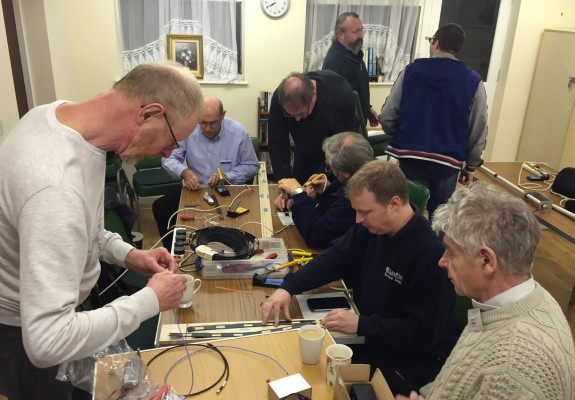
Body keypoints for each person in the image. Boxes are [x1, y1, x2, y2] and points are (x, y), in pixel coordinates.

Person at [0, 61, 203, 400]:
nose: (169, 153)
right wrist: (150, 300)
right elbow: (48, 341)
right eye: (172, 140)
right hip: (24, 334)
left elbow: (85, 227)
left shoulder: (55, 118)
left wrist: (129, 254)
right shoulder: (55, 187)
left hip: (57, 309)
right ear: (150, 114)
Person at [262, 160, 457, 395]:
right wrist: (288, 287)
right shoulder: (372, 227)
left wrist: (362, 324)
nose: (357, 220)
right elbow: (336, 257)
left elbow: (422, 334)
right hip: (369, 337)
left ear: (394, 203)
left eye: (364, 212)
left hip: (407, 361)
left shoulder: (431, 254)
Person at [397, 182, 575, 400]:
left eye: (451, 253)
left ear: (487, 260)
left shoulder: (513, 369)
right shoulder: (501, 303)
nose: (442, 262)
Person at [379, 23, 488, 217]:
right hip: (447, 163)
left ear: (435, 43)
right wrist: (471, 165)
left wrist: (399, 135)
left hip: (411, 158)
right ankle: (435, 247)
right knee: (441, 219)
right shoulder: (473, 80)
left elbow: (388, 115)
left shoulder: (411, 71)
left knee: (406, 216)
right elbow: (478, 127)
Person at [152, 96, 260, 247]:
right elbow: (168, 159)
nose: (207, 128)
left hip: (229, 190)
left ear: (223, 116)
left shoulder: (238, 132)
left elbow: (252, 165)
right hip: (197, 190)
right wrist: (185, 172)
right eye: (203, 122)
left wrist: (227, 177)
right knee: (160, 207)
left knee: (230, 226)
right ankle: (175, 253)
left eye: (213, 123)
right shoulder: (188, 130)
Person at [274, 132, 374, 248]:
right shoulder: (358, 177)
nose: (331, 171)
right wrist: (327, 190)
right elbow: (329, 212)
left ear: (346, 172)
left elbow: (316, 235)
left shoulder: (357, 198)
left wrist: (298, 193)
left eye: (331, 167)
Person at [267, 70, 356, 183]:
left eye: (300, 113)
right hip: (304, 153)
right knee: (299, 194)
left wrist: (320, 176)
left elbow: (342, 146)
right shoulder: (281, 97)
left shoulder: (340, 94)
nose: (297, 119)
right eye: (290, 115)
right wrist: (285, 182)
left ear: (313, 96)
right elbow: (277, 145)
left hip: (338, 156)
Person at [323, 12, 379, 127]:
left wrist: (367, 109)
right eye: (355, 31)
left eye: (361, 30)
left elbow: (354, 90)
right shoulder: (336, 62)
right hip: (346, 133)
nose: (361, 35)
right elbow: (335, 106)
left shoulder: (354, 55)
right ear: (340, 34)